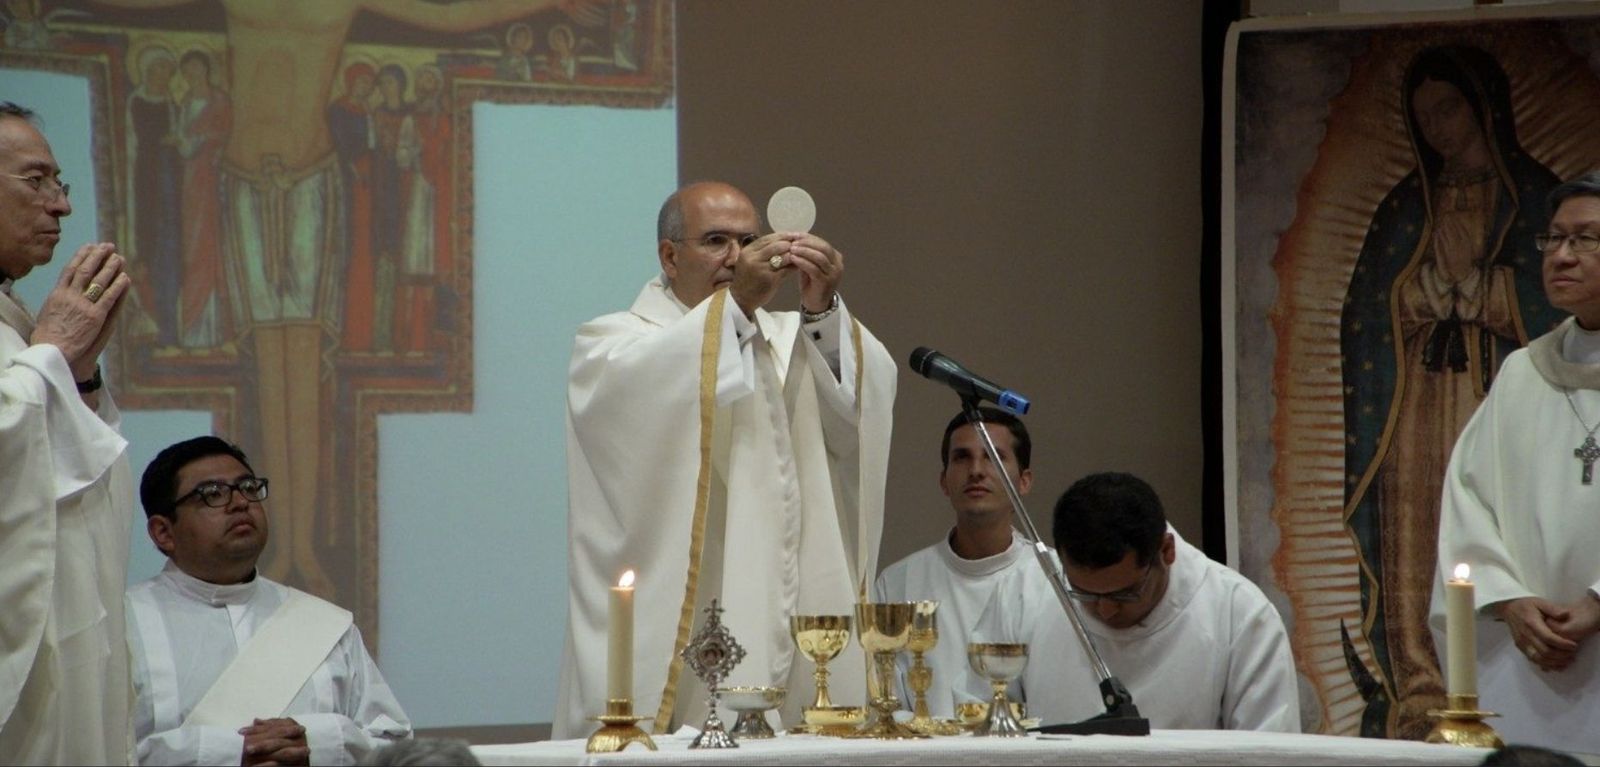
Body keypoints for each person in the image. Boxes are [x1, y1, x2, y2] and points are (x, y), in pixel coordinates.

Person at [554, 181, 897, 737]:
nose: (738, 257)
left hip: (794, 610)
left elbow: (859, 407)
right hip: (689, 627)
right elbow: (634, 416)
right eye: (716, 241)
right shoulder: (612, 343)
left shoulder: (789, 335)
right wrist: (735, 305)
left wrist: (822, 308)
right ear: (669, 256)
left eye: (750, 240)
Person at [1340, 44, 1563, 738]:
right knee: (1415, 527)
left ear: (1482, 107)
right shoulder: (1408, 206)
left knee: (1487, 521)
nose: (1436, 126)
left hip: (1490, 388)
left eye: (1448, 108)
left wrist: (1495, 294)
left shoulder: (1533, 197)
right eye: (1423, 115)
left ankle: (1491, 685)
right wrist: (1414, 295)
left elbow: (1549, 309)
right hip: (1416, 401)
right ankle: (1420, 684)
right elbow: (1364, 310)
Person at [1431, 172, 1600, 756]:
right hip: (1531, 665)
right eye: (1554, 239)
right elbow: (1467, 497)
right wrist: (1506, 599)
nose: (1562, 255)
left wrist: (1599, 602)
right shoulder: (1524, 375)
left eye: (1585, 240)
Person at [126, 436, 412, 765]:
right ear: (163, 532)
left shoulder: (323, 625)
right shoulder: (122, 626)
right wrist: (228, 753)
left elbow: (397, 749)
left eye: (247, 487)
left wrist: (315, 743)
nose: (240, 503)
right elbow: (87, 748)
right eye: (213, 494)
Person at [0, 100, 136, 764]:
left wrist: (74, 376)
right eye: (36, 182)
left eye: (61, 184)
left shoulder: (14, 325)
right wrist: (49, 359)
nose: (61, 207)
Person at [1009, 472, 1300, 732]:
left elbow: (1271, 750)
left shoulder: (1240, 616)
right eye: (1084, 593)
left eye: (1124, 593)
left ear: (1166, 551)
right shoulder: (1027, 597)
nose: (1105, 610)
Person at [874, 407, 1057, 718]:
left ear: (1024, 481)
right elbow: (882, 705)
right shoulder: (897, 583)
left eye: (994, 457)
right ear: (944, 481)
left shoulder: (1054, 578)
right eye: (962, 457)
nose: (976, 470)